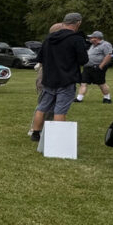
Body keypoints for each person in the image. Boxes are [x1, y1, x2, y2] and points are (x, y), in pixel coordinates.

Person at [29, 12, 88, 143]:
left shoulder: (49, 38)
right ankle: (58, 137)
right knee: (60, 109)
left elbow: (40, 58)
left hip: (49, 79)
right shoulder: (76, 39)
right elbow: (83, 60)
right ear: (77, 23)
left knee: (42, 107)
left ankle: (35, 133)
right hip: (66, 79)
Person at [76, 31, 113, 103]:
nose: (90, 38)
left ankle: (107, 98)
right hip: (87, 67)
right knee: (83, 82)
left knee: (101, 83)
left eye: (91, 37)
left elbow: (108, 56)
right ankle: (79, 98)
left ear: (96, 38)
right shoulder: (92, 45)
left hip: (97, 67)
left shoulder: (105, 44)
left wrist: (100, 66)